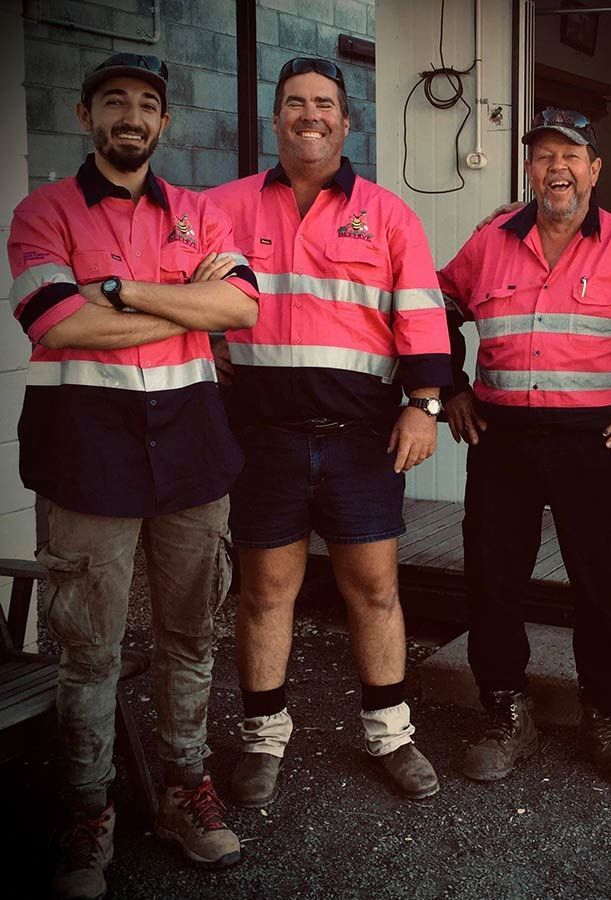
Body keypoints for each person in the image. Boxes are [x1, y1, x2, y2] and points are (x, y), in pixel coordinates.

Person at [7, 53, 260, 898]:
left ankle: (185, 789)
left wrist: (115, 290)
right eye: (113, 99)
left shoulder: (198, 212)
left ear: (164, 124)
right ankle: (90, 811)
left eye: (147, 104)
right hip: (85, 458)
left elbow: (239, 308)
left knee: (193, 635)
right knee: (89, 650)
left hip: (191, 452)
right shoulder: (41, 211)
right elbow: (55, 322)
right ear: (85, 115)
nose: (131, 114)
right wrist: (171, 300)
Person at [207, 57, 451, 807]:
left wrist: (426, 404)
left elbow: (421, 314)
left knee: (374, 589)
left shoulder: (388, 214)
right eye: (294, 104)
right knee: (263, 593)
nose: (309, 115)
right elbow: (187, 302)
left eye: (324, 104)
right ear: (274, 119)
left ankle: (390, 733)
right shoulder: (220, 207)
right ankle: (262, 742)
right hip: (263, 438)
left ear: (348, 123)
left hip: (361, 438)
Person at [438, 109, 611, 786]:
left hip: (594, 441)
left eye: (571, 155)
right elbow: (433, 307)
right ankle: (507, 710)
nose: (556, 167)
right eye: (543, 155)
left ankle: (604, 713)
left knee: (600, 582)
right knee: (493, 576)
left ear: (595, 169)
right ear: (529, 169)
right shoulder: (490, 243)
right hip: (502, 436)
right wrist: (446, 388)